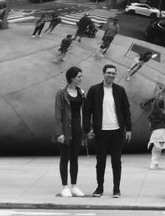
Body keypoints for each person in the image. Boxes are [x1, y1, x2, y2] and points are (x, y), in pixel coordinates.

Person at [83, 63, 132, 198]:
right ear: (103, 73)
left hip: (117, 132)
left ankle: (116, 189)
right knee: (100, 162)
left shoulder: (120, 90)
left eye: (113, 73)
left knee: (116, 162)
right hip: (100, 132)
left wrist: (129, 128)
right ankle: (99, 188)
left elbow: (126, 110)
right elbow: (87, 111)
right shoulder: (94, 90)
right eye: (109, 73)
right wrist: (87, 129)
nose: (111, 75)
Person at [53, 66, 87, 197]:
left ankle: (74, 186)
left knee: (74, 158)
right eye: (79, 76)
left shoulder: (81, 92)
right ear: (72, 78)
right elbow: (57, 114)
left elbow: (84, 111)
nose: (81, 78)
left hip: (77, 128)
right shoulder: (61, 93)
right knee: (64, 158)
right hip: (66, 128)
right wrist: (59, 132)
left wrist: (86, 129)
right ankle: (64, 187)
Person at [146, 98, 165, 169]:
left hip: (155, 133)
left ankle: (153, 165)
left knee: (155, 150)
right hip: (164, 133)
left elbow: (150, 125)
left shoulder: (151, 115)